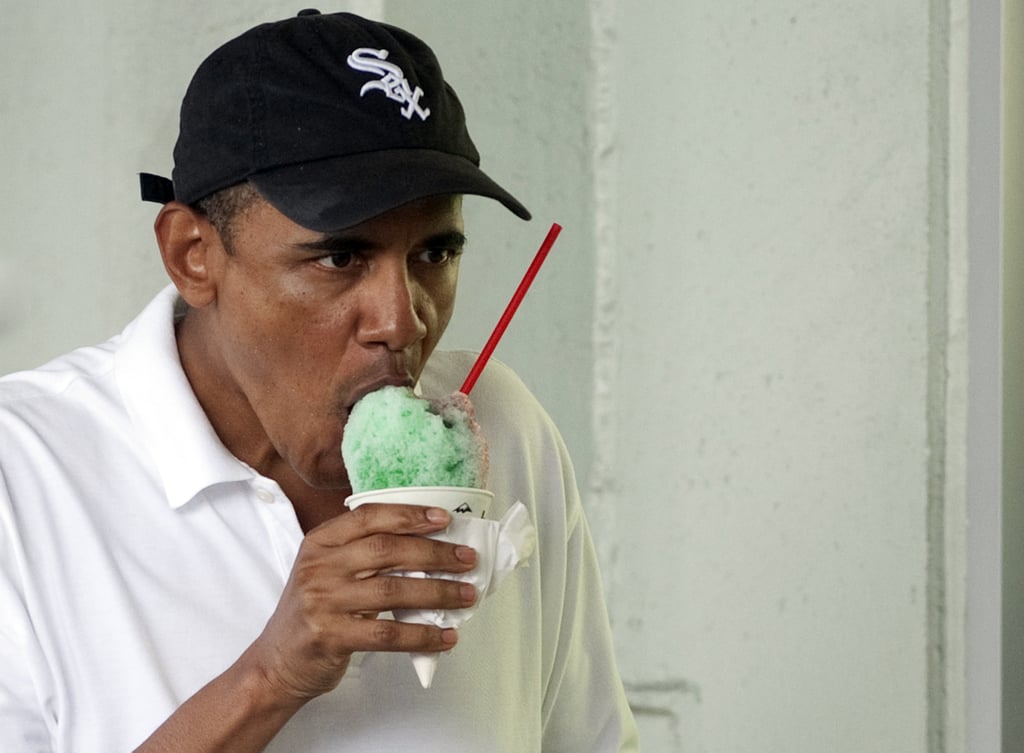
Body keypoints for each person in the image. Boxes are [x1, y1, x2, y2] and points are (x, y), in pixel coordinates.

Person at [0, 10, 638, 753]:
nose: (403, 321)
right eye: (340, 258)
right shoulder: (25, 474)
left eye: (434, 253)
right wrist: (270, 676)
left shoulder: (500, 424)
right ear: (191, 254)